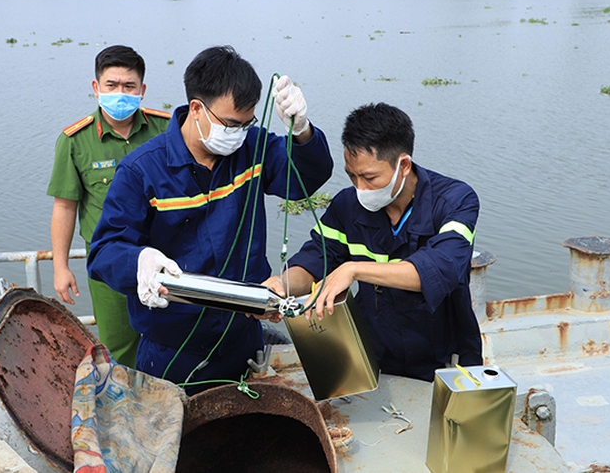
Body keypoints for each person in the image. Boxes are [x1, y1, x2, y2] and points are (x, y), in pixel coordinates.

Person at [87, 45, 333, 392]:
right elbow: (104, 253)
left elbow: (306, 179)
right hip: (173, 350)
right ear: (197, 109)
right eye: (231, 124)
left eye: (247, 124)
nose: (238, 133)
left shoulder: (252, 149)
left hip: (243, 335)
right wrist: (138, 260)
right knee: (177, 438)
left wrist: (303, 133)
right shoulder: (143, 171)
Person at [266, 102, 482, 382]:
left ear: (403, 165)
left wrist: (353, 269)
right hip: (375, 355)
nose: (360, 188)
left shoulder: (456, 200)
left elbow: (438, 270)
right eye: (352, 176)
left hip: (444, 359)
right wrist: (280, 286)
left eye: (369, 177)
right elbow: (314, 262)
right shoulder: (346, 205)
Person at [47, 45, 170, 368]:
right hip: (109, 261)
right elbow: (65, 207)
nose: (120, 93)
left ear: (142, 90)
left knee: (174, 333)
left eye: (129, 86)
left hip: (166, 254)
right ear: (96, 88)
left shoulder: (168, 130)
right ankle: (130, 408)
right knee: (118, 343)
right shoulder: (75, 140)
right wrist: (61, 267)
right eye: (111, 85)